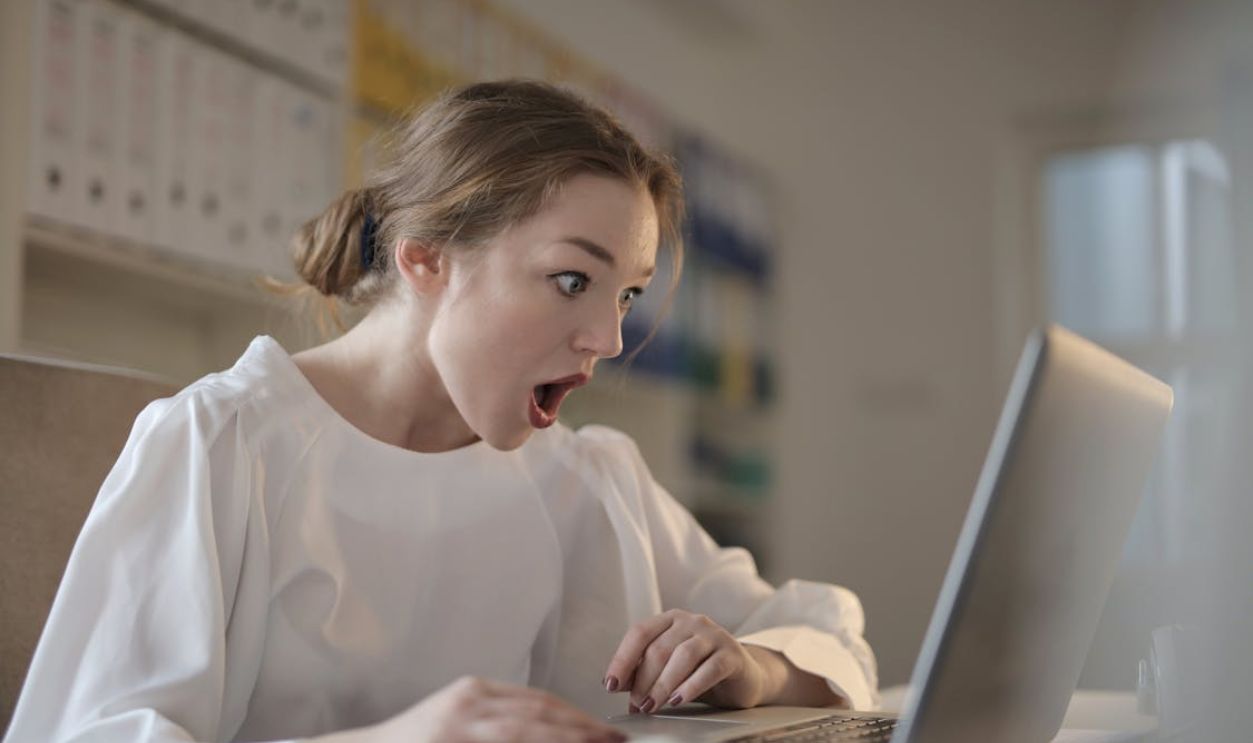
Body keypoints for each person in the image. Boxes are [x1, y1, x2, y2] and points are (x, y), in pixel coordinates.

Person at [6, 80, 877, 743]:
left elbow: (826, 634)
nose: (608, 340)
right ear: (426, 259)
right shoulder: (222, 443)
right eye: (571, 280)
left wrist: (753, 667)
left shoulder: (590, 474)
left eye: (627, 295)